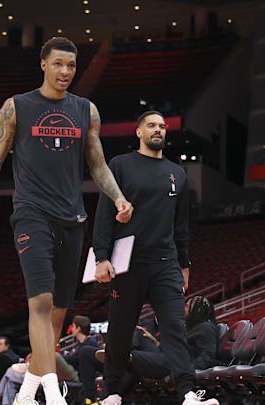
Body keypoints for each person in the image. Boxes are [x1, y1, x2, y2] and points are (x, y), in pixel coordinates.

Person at [0, 36, 133, 405]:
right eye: (58, 64)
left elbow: (98, 165)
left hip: (73, 218)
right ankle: (52, 392)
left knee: (57, 315)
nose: (65, 71)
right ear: (43, 64)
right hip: (31, 214)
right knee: (40, 302)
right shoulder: (16, 107)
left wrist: (117, 196)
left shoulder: (87, 110)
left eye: (71, 65)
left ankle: (26, 394)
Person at [92, 111, 215, 405]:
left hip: (166, 262)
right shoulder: (120, 165)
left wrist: (184, 263)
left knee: (174, 328)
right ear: (138, 132)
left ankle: (187, 392)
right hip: (128, 263)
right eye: (151, 125)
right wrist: (101, 256)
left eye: (162, 126)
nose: (158, 130)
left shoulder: (178, 173)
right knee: (120, 331)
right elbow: (104, 214)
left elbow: (180, 224)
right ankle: (111, 393)